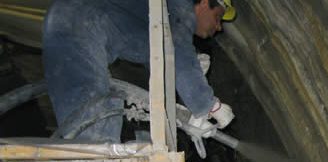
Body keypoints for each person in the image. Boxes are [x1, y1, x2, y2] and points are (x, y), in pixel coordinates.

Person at [42, 0, 236, 142]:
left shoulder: (160, 19)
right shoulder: (179, 6)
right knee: (93, 133)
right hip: (77, 28)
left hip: (74, 26)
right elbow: (178, 48)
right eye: (218, 17)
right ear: (204, 3)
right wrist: (210, 106)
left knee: (101, 112)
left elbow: (164, 69)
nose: (218, 27)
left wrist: (190, 118)